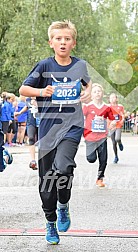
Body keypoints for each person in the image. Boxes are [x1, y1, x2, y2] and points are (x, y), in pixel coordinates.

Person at [19, 20, 91, 245]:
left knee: (64, 167)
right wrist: (42, 91)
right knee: (47, 181)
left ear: (73, 42)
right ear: (51, 42)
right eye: (58, 38)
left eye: (67, 39)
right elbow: (22, 89)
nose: (63, 42)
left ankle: (63, 206)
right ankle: (50, 222)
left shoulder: (80, 66)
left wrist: (88, 93)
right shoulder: (43, 66)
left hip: (72, 126)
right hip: (48, 130)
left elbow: (88, 85)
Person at [83, 83, 114, 187]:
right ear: (91, 95)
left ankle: (100, 179)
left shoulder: (107, 107)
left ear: (102, 94)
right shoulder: (87, 107)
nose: (97, 93)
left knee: (103, 159)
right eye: (95, 91)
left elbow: (112, 119)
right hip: (90, 137)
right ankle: (92, 155)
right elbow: (79, 116)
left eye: (99, 91)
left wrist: (112, 123)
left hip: (102, 137)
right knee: (91, 159)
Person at [15, 97, 40, 170]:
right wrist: (19, 113)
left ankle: (42, 160)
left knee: (41, 141)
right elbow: (26, 106)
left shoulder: (41, 97)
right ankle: (33, 160)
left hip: (41, 121)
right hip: (31, 121)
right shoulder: (28, 99)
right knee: (31, 138)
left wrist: (36, 104)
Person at [109, 93, 124, 164]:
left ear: (116, 99)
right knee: (113, 143)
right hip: (111, 126)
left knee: (117, 138)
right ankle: (116, 156)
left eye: (113, 97)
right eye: (110, 98)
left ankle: (120, 143)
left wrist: (122, 120)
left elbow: (123, 115)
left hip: (118, 125)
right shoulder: (108, 107)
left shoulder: (120, 107)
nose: (112, 99)